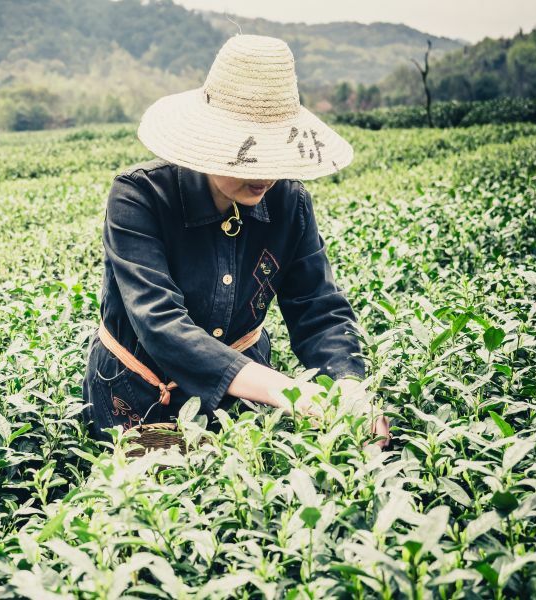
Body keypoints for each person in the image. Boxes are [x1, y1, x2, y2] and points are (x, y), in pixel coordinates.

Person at [80, 34, 391, 449]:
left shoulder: (290, 203)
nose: (265, 174)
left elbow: (318, 310)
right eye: (249, 155)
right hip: (139, 392)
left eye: (274, 155)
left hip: (245, 391)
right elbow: (161, 324)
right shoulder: (140, 197)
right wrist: (289, 393)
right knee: (160, 506)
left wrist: (349, 388)